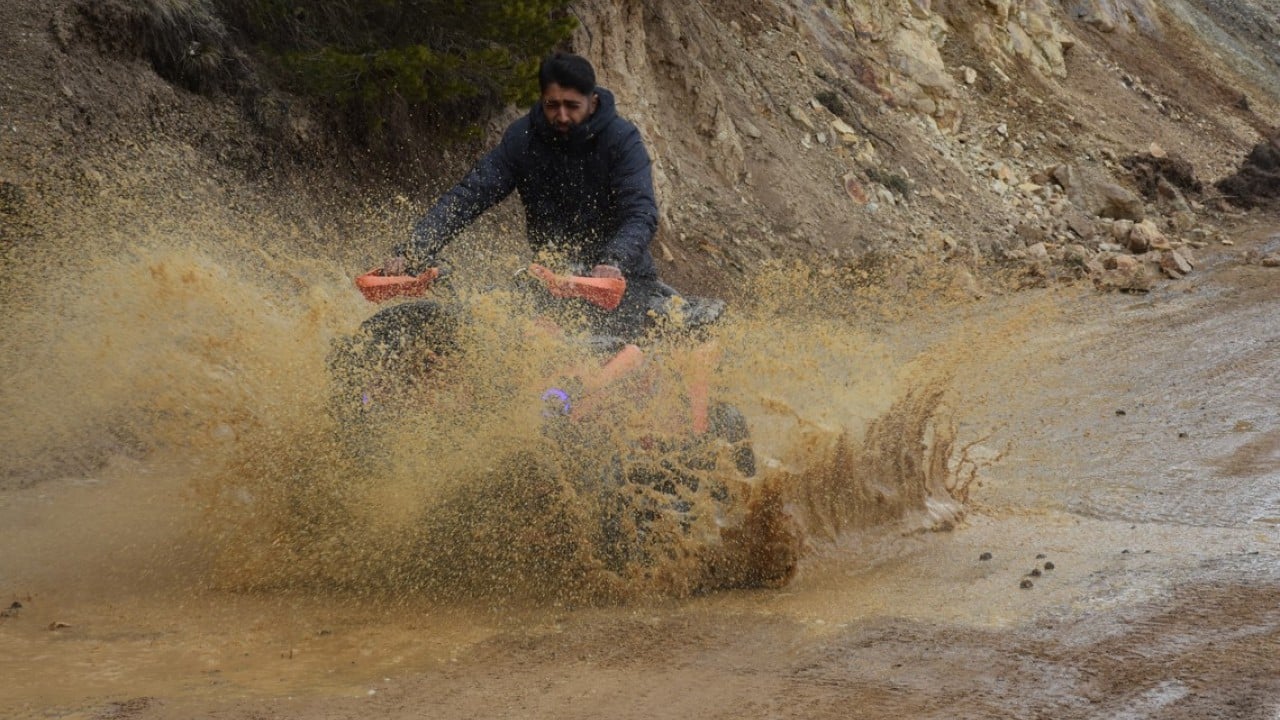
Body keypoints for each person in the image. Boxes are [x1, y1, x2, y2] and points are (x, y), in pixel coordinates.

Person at [385, 52, 666, 332]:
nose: (562, 115)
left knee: (602, 355)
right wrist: (413, 251)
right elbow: (470, 195)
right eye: (552, 105)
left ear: (592, 103)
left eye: (572, 105)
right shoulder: (523, 138)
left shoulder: (622, 139)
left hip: (620, 282)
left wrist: (613, 260)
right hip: (550, 278)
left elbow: (641, 212)